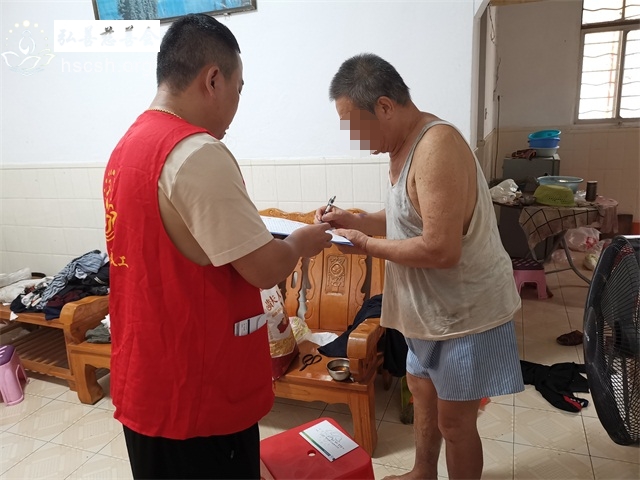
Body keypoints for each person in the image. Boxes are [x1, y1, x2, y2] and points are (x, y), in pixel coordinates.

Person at [103, 14, 332, 480]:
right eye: (239, 89)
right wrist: (302, 240)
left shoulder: (127, 148)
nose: (236, 105)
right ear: (213, 80)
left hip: (146, 376)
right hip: (197, 392)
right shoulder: (195, 152)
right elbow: (263, 269)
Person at [317, 53, 524, 480]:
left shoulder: (436, 146)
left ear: (385, 106)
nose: (354, 138)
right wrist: (354, 220)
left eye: (355, 125)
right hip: (426, 313)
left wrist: (368, 245)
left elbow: (440, 249)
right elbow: (407, 214)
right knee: (422, 394)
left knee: (456, 424)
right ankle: (423, 473)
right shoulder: (401, 147)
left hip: (465, 314)